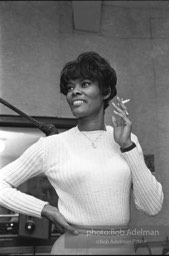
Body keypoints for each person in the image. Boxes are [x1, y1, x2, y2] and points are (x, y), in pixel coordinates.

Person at [0, 51, 163, 255]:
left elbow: (152, 207)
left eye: (84, 84)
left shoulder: (128, 141)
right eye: (70, 87)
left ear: (105, 92)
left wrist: (127, 146)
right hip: (74, 248)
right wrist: (45, 210)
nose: (74, 92)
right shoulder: (52, 145)